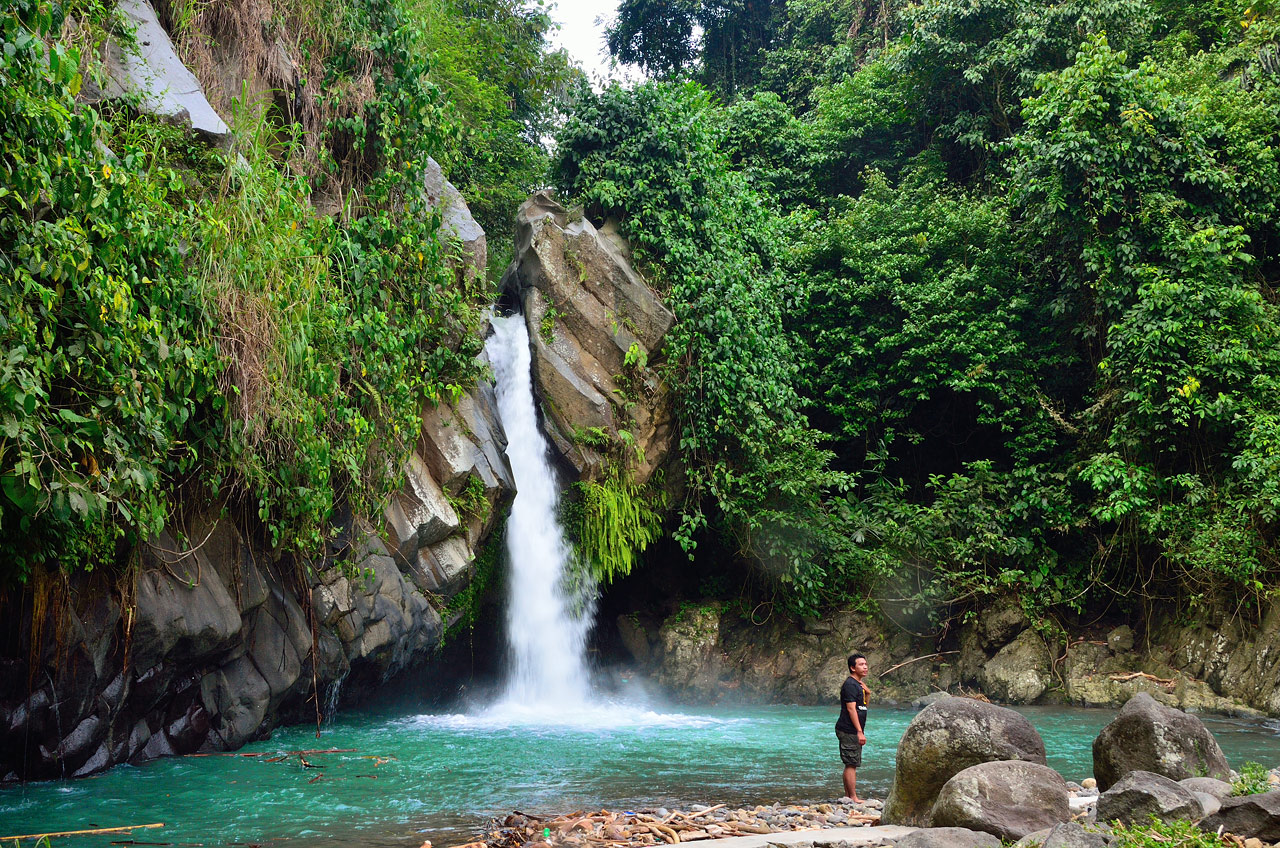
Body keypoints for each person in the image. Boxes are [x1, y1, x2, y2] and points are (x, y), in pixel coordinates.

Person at [835, 652, 870, 803]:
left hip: (853, 729)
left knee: (851, 763)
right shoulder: (850, 685)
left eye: (866, 664)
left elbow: (863, 707)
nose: (865, 667)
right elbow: (851, 709)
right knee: (851, 764)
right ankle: (853, 797)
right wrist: (859, 731)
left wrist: (868, 694)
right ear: (852, 667)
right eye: (861, 664)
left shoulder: (859, 685)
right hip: (848, 729)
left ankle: (849, 796)